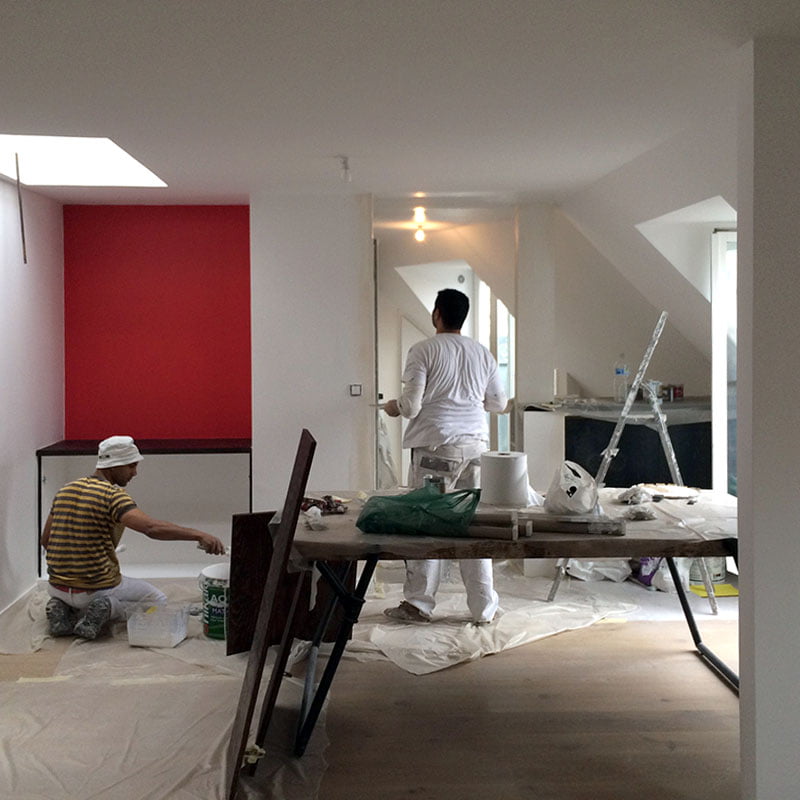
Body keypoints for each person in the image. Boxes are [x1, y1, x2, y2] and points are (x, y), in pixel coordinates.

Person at [382, 288, 508, 625]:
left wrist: (393, 407)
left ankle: (418, 605)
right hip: (475, 450)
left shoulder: (423, 350)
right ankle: (484, 609)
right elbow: (498, 403)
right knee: (472, 525)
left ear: (436, 314)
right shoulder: (482, 353)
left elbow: (411, 406)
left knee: (426, 524)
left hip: (435, 452)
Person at [41, 435, 226, 640]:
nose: (134, 473)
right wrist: (199, 535)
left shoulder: (65, 490)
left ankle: (63, 607)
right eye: (131, 466)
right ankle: (109, 608)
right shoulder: (112, 496)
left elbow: (46, 540)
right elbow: (151, 528)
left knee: (81, 595)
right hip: (95, 589)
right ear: (115, 465)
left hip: (55, 586)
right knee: (157, 600)